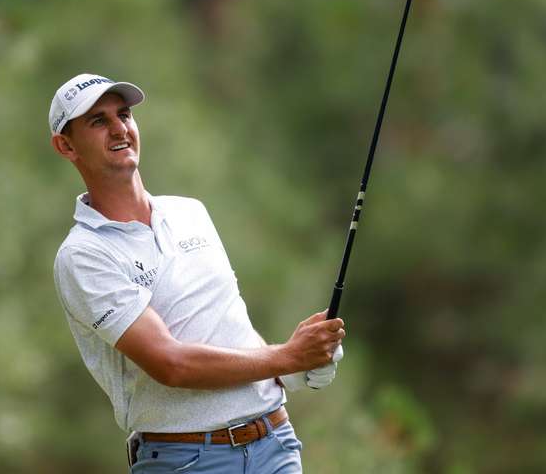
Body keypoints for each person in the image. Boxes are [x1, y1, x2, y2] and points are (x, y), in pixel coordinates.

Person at [49, 73, 345, 473]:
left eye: (124, 115)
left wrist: (294, 369)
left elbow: (227, 324)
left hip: (275, 444)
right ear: (66, 145)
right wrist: (286, 356)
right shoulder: (84, 254)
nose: (120, 128)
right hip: (185, 461)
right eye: (98, 121)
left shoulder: (191, 212)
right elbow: (171, 364)